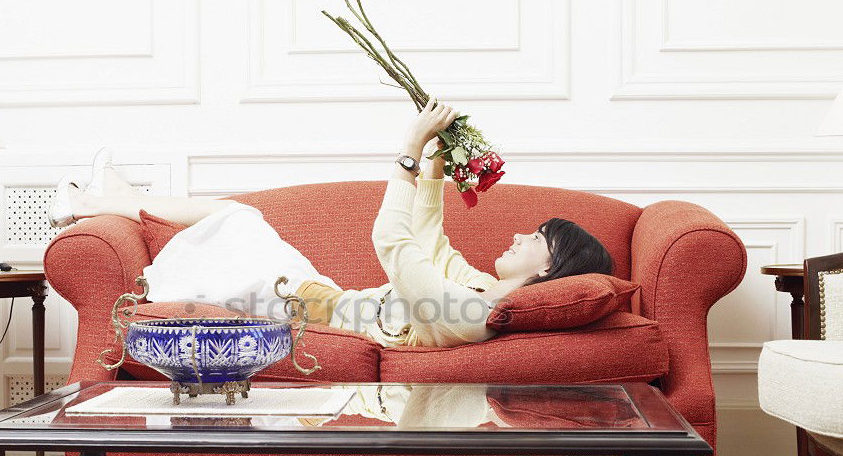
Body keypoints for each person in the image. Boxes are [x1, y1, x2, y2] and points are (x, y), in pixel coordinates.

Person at [49, 97, 613, 348]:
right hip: (317, 295)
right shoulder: (481, 291)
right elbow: (431, 245)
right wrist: (436, 171)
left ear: (549, 271)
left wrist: (408, 153)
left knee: (236, 218)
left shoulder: (469, 313)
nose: (518, 235)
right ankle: (110, 200)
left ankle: (96, 202)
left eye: (536, 239)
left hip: (297, 307)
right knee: (240, 216)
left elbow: (394, 243)